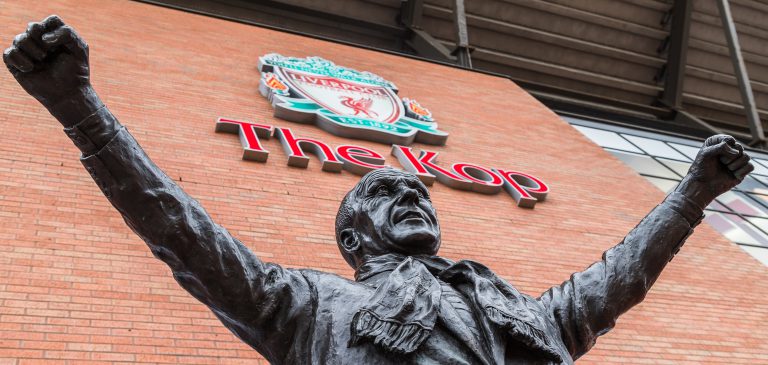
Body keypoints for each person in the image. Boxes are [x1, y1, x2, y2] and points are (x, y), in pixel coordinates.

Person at [3, 15, 755, 365]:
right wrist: (80, 111)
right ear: (354, 241)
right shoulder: (306, 305)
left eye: (419, 191)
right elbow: (182, 231)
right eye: (386, 194)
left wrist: (691, 194)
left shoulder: (519, 315)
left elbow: (615, 280)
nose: (415, 195)